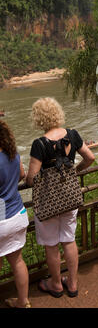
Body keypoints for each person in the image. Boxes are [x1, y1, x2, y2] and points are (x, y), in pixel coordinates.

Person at [26, 98, 95, 298]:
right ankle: (72, 284)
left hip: (48, 202)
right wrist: (75, 171)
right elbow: (90, 158)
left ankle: (55, 284)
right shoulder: (72, 134)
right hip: (70, 198)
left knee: (51, 244)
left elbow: (31, 179)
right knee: (69, 240)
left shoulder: (39, 144)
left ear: (38, 119)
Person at [0, 120, 30, 308]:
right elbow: (21, 175)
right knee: (17, 261)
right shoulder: (13, 154)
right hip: (18, 215)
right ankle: (23, 301)